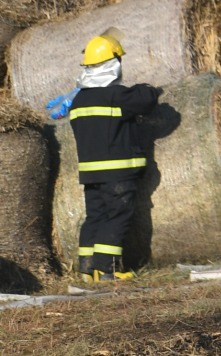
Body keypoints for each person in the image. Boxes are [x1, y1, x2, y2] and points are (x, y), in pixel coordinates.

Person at [66, 34, 158, 282]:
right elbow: (146, 99)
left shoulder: (77, 101)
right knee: (118, 216)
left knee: (95, 216)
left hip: (91, 174)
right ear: (112, 65)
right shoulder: (116, 97)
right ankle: (108, 270)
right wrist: (151, 88)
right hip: (118, 173)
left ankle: (87, 269)